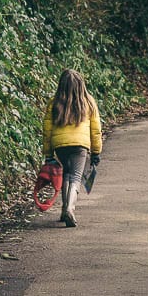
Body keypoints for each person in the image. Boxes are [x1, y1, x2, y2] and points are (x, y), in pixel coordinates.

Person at [42, 69, 102, 227]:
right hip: (80, 146)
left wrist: (48, 153)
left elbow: (47, 130)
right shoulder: (88, 102)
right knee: (76, 176)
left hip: (60, 146)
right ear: (81, 84)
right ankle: (70, 208)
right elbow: (96, 130)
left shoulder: (53, 103)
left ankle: (64, 209)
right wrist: (96, 151)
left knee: (66, 174)